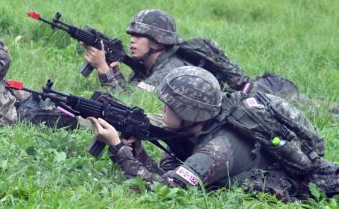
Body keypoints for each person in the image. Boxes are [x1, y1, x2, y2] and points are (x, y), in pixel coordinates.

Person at [89, 66, 339, 201]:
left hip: (308, 187)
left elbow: (166, 191)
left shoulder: (216, 151)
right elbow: (170, 174)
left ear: (190, 112)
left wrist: (117, 148)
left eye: (171, 104)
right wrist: (138, 152)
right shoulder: (208, 126)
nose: (163, 108)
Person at [84, 9, 189, 92]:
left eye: (139, 36)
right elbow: (129, 93)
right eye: (132, 35)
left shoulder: (168, 71)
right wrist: (115, 74)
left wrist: (103, 69)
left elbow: (132, 106)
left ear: (158, 41)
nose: (132, 40)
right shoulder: (146, 63)